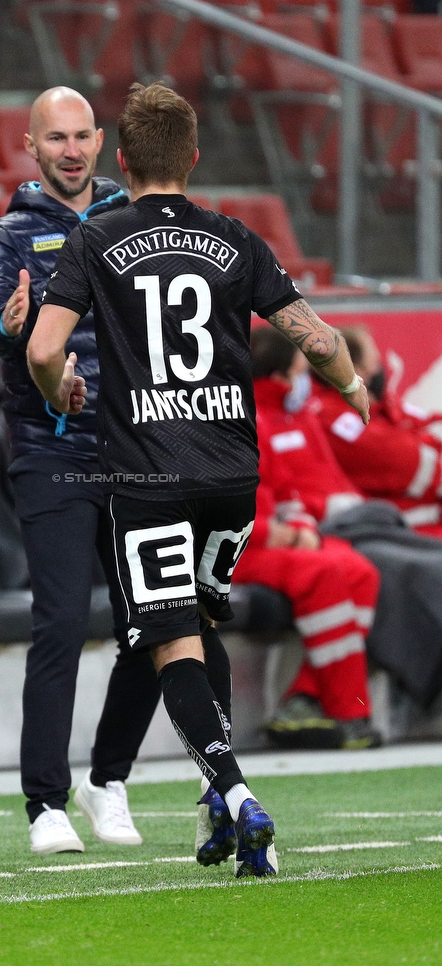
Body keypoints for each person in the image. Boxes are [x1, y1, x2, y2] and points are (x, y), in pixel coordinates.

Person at [27, 82, 370, 877]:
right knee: (201, 624)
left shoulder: (96, 236)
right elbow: (315, 338)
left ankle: (236, 793)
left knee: (170, 638)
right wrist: (352, 387)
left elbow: (46, 351)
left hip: (146, 475)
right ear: (194, 159)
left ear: (121, 159)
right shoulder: (235, 239)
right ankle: (220, 806)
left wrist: (59, 394)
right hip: (231, 479)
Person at [0, 86, 164, 856]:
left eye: (82, 135)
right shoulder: (7, 235)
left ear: (102, 140)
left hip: (139, 451)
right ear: (30, 147)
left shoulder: (132, 223)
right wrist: (6, 327)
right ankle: (45, 803)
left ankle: (107, 781)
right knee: (60, 626)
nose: (71, 150)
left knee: (154, 626)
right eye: (57, 138)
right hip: (51, 452)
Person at [251, 323, 442, 716]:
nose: (309, 379)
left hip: (345, 527)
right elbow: (398, 463)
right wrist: (307, 525)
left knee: (397, 566)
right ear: (279, 375)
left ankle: (322, 701)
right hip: (318, 535)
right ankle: (333, 706)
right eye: (302, 372)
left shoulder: (298, 414)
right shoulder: (268, 420)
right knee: (396, 570)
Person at [238, 328, 382, 749]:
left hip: (273, 543)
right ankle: (349, 713)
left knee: (360, 570)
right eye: (301, 370)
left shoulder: (260, 421)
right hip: (237, 550)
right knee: (324, 572)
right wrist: (279, 533)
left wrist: (299, 529)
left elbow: (286, 493)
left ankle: (308, 696)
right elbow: (210, 510)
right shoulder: (233, 423)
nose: (306, 379)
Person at [313, 324, 442, 538]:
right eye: (373, 363)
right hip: (399, 531)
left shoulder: (376, 404)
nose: (378, 370)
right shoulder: (334, 419)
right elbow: (405, 461)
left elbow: (423, 422)